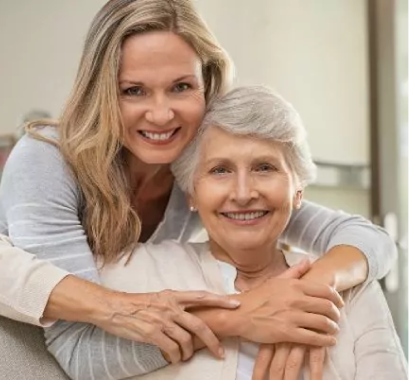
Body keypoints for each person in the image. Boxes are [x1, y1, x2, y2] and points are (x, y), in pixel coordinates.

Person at [0, 0, 396, 379]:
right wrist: (240, 315)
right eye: (133, 90)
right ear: (101, 90)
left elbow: (368, 240)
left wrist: (302, 295)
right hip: (20, 348)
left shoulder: (196, 166)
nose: (160, 113)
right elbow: (79, 349)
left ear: (206, 83)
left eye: (180, 86)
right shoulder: (47, 159)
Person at [94, 85, 408, 380]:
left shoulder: (352, 289)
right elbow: (84, 359)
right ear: (191, 192)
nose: (243, 193)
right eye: (220, 170)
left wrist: (307, 296)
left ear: (298, 190)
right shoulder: (134, 272)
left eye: (264, 168)